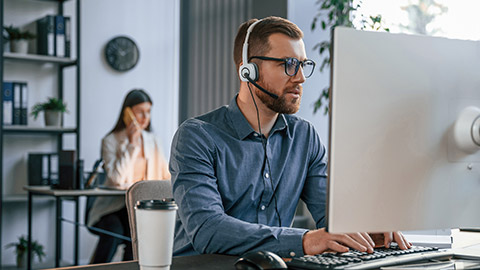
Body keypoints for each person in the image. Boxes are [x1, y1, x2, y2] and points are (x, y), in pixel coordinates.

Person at [169, 16, 412, 258]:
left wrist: (366, 229)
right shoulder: (196, 137)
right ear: (248, 70)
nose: (300, 77)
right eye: (288, 64)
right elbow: (208, 231)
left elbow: (331, 215)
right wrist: (305, 240)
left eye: (303, 65)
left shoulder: (304, 137)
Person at [88, 89, 170, 263]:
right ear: (127, 113)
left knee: (137, 236)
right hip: (113, 207)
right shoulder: (110, 141)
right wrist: (132, 144)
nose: (145, 117)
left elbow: (165, 175)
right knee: (115, 231)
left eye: (148, 112)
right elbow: (117, 178)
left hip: (140, 206)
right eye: (140, 112)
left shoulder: (153, 140)